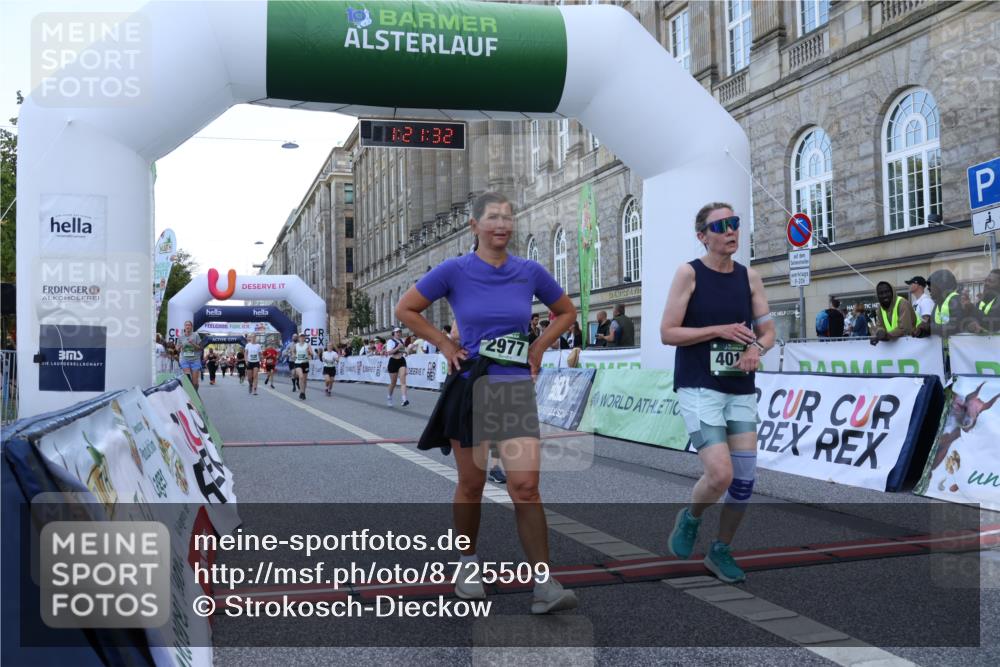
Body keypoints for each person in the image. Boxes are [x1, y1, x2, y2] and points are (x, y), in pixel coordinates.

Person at [397, 191, 579, 614]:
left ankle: (544, 584)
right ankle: (467, 564)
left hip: (513, 388)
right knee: (472, 484)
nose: (502, 225)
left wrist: (538, 349)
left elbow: (566, 312)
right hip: (472, 386)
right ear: (474, 226)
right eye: (493, 218)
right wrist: (444, 343)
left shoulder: (529, 270)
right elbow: (407, 309)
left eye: (508, 218)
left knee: (526, 488)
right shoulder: (455, 270)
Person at [659, 202, 776, 584]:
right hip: (699, 385)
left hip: (739, 388)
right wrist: (719, 331)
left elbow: (769, 331)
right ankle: (691, 517)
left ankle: (720, 550)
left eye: (735, 223)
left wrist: (756, 348)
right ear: (702, 236)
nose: (731, 231)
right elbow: (668, 332)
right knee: (720, 473)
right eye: (721, 225)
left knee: (744, 481)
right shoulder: (688, 274)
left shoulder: (750, 278)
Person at [918, 269, 961, 338]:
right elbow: (931, 325)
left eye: (931, 285)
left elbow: (955, 326)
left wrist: (930, 327)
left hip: (956, 347)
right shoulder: (938, 303)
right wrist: (920, 331)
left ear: (941, 285)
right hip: (943, 347)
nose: (928, 289)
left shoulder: (955, 299)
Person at [384, 327, 410, 407]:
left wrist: (406, 352)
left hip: (401, 361)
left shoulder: (402, 341)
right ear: (393, 334)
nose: (398, 333)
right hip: (393, 362)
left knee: (403, 381)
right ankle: (389, 397)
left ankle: (404, 399)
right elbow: (389, 352)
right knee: (393, 383)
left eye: (399, 332)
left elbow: (403, 351)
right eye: (397, 332)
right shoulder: (390, 341)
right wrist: (398, 347)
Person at [175, 321, 203, 391]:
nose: (187, 327)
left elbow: (200, 348)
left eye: (189, 325)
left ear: (191, 327)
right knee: (188, 379)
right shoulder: (181, 337)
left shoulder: (196, 335)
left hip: (195, 360)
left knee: (195, 382)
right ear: (184, 327)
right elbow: (177, 348)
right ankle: (190, 395)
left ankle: (195, 394)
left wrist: (192, 343)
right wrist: (178, 347)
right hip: (185, 360)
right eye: (186, 325)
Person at [972, 269, 1000, 334]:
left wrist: (971, 308)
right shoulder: (984, 300)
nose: (986, 284)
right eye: (985, 281)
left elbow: (993, 323)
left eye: (990, 281)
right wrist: (972, 326)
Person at [292, 334, 313, 400]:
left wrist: (309, 353)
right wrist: (294, 355)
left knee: (304, 379)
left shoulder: (307, 345)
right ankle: (301, 392)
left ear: (304, 338)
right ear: (299, 338)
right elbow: (292, 351)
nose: (302, 338)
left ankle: (303, 393)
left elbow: (312, 353)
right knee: (301, 376)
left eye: (303, 337)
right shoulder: (296, 345)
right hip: (298, 363)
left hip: (305, 363)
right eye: (301, 337)